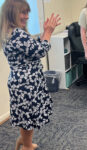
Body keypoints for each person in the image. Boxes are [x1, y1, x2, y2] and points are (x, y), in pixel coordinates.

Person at [0, 0, 61, 150]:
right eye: (23, 12)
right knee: (28, 119)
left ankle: (24, 140)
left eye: (28, 12)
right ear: (11, 14)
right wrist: (48, 32)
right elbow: (41, 51)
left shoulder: (9, 32)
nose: (27, 16)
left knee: (27, 117)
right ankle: (27, 146)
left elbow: (33, 50)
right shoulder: (18, 34)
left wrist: (44, 34)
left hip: (23, 82)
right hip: (27, 84)